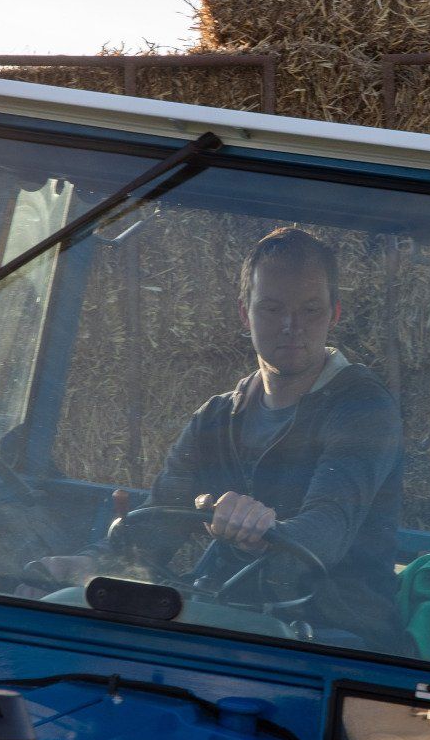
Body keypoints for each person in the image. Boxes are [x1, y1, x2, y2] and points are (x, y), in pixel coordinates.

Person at [42, 227, 407, 652]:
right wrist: (89, 562)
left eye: (310, 310)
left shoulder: (363, 408)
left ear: (335, 313)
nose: (291, 327)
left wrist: (264, 531)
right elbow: (155, 527)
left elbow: (328, 529)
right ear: (244, 313)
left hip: (337, 639)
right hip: (229, 626)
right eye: (272, 308)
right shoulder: (215, 419)